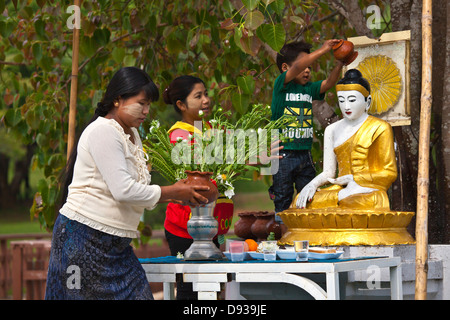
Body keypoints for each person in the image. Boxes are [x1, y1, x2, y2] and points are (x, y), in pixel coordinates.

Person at [45, 67, 211, 300]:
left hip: (117, 245)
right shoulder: (103, 131)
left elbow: (136, 187)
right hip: (82, 240)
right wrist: (169, 191)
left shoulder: (132, 132)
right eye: (141, 103)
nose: (146, 111)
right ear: (117, 99)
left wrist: (173, 194)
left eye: (149, 105)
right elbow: (123, 190)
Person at [162, 75, 234, 300]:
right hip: (185, 227)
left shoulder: (212, 128)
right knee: (190, 289)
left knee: (215, 287)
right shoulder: (179, 134)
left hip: (214, 224)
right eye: (198, 96)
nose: (206, 100)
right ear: (181, 105)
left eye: (206, 94)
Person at [294, 69, 397, 210]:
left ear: (368, 102)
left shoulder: (380, 128)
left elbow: (389, 172)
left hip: (366, 191)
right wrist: (312, 184)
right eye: (342, 100)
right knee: (299, 202)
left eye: (352, 100)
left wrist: (355, 180)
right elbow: (329, 173)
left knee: (357, 202)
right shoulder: (332, 129)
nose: (346, 106)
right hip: (340, 189)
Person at [269, 40, 343, 228]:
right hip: (283, 155)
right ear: (286, 68)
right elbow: (298, 67)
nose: (307, 70)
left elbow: (329, 83)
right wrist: (323, 49)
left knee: (309, 195)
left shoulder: (309, 89)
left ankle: (304, 233)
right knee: (283, 198)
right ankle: (283, 234)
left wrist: (340, 63)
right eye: (303, 66)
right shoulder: (281, 85)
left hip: (305, 154)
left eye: (309, 67)